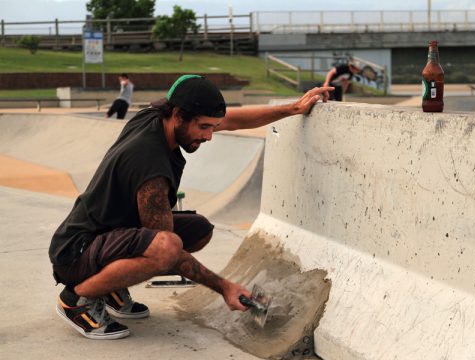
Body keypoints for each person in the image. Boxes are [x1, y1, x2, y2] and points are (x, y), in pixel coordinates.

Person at [49, 74, 333, 339]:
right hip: (77, 252)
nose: (209, 136)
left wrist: (293, 108)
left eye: (211, 126)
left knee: (198, 231)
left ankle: (110, 287)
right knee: (167, 247)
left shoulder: (159, 115)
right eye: (204, 127)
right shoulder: (151, 164)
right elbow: (167, 251)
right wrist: (225, 287)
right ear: (179, 116)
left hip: (104, 232)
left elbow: (231, 119)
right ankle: (78, 299)